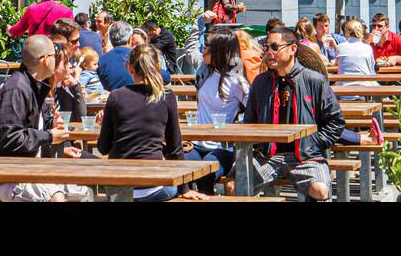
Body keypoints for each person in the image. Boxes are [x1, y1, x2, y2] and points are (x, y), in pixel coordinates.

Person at [0, 35, 89, 202]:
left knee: (83, 190)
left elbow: (26, 132)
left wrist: (49, 128)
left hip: (13, 171)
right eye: (54, 56)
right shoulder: (17, 88)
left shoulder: (32, 85)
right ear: (45, 60)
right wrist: (49, 136)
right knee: (56, 197)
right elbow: (8, 138)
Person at [244, 26, 344, 201]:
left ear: (292, 49)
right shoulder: (260, 83)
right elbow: (249, 122)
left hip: (306, 156)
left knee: (320, 190)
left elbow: (335, 121)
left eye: (274, 47)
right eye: (266, 47)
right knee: (232, 185)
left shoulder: (315, 80)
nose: (268, 52)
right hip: (268, 156)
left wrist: (315, 142)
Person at [97, 43, 206, 202]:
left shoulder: (115, 96)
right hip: (152, 188)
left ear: (129, 68)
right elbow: (175, 149)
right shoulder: (166, 96)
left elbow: (103, 148)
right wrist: (185, 189)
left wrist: (106, 127)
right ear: (158, 66)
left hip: (117, 188)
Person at [184, 31, 249, 193]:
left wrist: (235, 129)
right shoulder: (205, 72)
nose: (203, 50)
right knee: (178, 165)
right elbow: (190, 52)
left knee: (205, 172)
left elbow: (254, 111)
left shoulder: (236, 80)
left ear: (219, 51)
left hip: (222, 148)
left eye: (207, 46)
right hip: (197, 144)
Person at [98, 21, 170, 92]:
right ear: (130, 39)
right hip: (143, 100)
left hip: (112, 101)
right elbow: (166, 78)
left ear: (110, 39)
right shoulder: (140, 56)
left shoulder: (101, 60)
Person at [6, 0, 74, 41]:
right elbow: (72, 35)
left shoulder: (32, 8)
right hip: (54, 50)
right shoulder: (66, 12)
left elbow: (17, 30)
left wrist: (9, 29)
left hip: (35, 49)